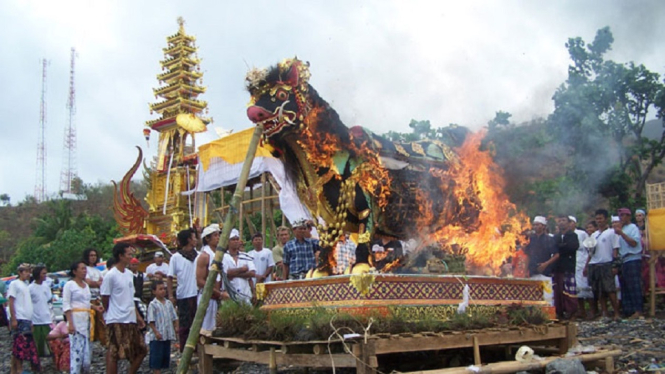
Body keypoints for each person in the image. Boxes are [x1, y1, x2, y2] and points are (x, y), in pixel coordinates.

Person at [101, 243, 147, 374]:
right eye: (129, 254)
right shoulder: (111, 275)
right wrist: (110, 312)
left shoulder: (128, 274)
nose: (131, 257)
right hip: (116, 318)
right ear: (120, 256)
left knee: (141, 349)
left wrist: (138, 316)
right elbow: (105, 297)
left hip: (130, 318)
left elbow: (130, 298)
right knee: (114, 352)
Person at [63, 261, 104, 374]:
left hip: (86, 320)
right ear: (75, 271)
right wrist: (70, 323)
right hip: (75, 320)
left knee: (86, 357)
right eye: (82, 269)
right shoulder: (69, 285)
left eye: (85, 269)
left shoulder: (86, 286)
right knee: (76, 354)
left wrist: (95, 308)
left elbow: (85, 303)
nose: (84, 271)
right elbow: (66, 305)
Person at [584, 209, 621, 320]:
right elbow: (590, 252)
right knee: (599, 290)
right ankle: (604, 313)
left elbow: (615, 250)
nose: (599, 221)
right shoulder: (594, 235)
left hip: (607, 263)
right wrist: (587, 265)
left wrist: (615, 265)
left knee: (610, 290)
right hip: (595, 263)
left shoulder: (612, 233)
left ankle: (616, 313)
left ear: (606, 219)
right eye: (597, 219)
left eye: (601, 218)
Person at [167, 228, 199, 352]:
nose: (196, 240)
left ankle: (198, 349)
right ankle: (185, 351)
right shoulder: (176, 257)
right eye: (194, 237)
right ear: (189, 240)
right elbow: (169, 278)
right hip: (184, 295)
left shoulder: (199, 255)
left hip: (197, 293)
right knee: (185, 325)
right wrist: (170, 296)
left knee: (198, 323)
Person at [8, 263, 40, 374]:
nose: (28, 274)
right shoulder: (14, 284)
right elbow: (11, 301)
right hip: (20, 317)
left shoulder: (26, 285)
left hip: (27, 318)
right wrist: (13, 318)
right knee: (19, 346)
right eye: (25, 271)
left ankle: (15, 370)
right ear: (20, 273)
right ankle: (17, 369)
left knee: (21, 347)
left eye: (28, 271)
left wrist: (31, 320)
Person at [615, 208, 644, 319]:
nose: (621, 218)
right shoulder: (622, 228)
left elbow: (633, 243)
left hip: (633, 258)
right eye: (620, 216)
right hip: (624, 259)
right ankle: (629, 310)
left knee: (634, 285)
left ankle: (638, 310)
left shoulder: (633, 228)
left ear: (628, 216)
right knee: (625, 286)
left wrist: (621, 233)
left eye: (623, 216)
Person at [196, 224, 225, 331]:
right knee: (205, 330)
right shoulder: (204, 256)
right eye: (215, 235)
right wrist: (219, 293)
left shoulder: (218, 254)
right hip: (207, 298)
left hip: (216, 298)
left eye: (219, 235)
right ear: (207, 238)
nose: (218, 238)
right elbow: (200, 281)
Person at [146, 281, 178, 374]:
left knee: (164, 358)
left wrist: (176, 327)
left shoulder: (168, 303)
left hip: (167, 335)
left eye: (164, 289)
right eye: (160, 289)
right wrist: (156, 332)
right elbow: (151, 321)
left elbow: (174, 317)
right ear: (154, 291)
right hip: (157, 337)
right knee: (156, 360)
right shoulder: (153, 304)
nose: (163, 291)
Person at [552, 215, 579, 320]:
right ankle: (559, 312)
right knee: (558, 290)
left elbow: (572, 247)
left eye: (564, 220)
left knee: (569, 290)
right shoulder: (556, 236)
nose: (561, 222)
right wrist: (562, 246)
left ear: (568, 223)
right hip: (557, 267)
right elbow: (553, 248)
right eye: (560, 220)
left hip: (568, 266)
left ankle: (571, 312)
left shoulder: (572, 235)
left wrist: (560, 247)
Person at [223, 229, 256, 304]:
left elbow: (252, 273)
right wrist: (242, 269)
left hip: (246, 294)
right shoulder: (224, 257)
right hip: (230, 295)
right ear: (228, 242)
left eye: (237, 239)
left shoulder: (245, 256)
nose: (235, 241)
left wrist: (235, 273)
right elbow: (226, 274)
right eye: (233, 239)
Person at [82, 247, 106, 345]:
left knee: (100, 324)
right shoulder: (85, 269)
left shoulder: (97, 271)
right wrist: (97, 283)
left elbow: (102, 283)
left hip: (97, 299)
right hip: (89, 300)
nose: (93, 257)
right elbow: (88, 282)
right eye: (91, 255)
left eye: (95, 255)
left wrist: (96, 283)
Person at [29, 264, 52, 358]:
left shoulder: (46, 286)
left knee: (49, 339)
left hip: (46, 316)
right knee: (37, 340)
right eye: (43, 273)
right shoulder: (30, 288)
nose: (45, 275)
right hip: (35, 317)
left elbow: (48, 299)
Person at [571, 217, 592, 319]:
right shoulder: (566, 235)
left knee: (586, 287)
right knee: (576, 289)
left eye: (571, 222)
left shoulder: (582, 233)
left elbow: (590, 248)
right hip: (573, 261)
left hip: (582, 260)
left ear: (574, 223)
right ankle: (581, 310)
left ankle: (592, 311)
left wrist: (587, 264)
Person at [130, 257, 147, 325]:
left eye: (136, 264)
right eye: (133, 265)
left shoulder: (141, 274)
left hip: (140, 298)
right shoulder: (129, 275)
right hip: (132, 298)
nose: (134, 266)